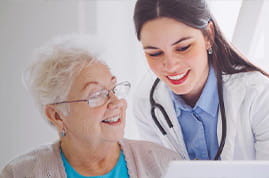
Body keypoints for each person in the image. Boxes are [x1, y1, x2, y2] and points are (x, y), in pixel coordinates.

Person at [0, 35, 181, 178]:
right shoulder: (19, 173)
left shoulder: (165, 165)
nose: (116, 103)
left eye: (114, 89)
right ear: (57, 115)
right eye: (96, 95)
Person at [132, 0, 269, 160]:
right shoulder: (146, 102)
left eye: (183, 48)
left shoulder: (259, 96)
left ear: (208, 35)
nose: (170, 66)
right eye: (154, 53)